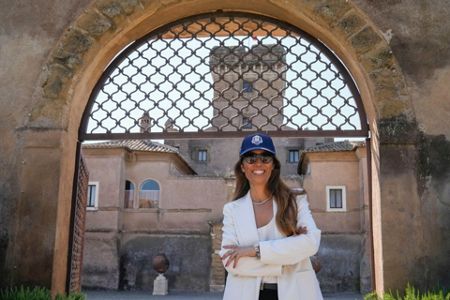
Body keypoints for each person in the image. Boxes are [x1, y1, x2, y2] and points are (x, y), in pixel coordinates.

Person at [220, 133, 323, 300]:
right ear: (242, 167)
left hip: (296, 293)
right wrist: (289, 260)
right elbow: (230, 262)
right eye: (251, 158)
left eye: (265, 158)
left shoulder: (295, 201)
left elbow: (311, 243)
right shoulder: (232, 210)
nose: (258, 163)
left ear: (273, 165)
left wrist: (255, 251)